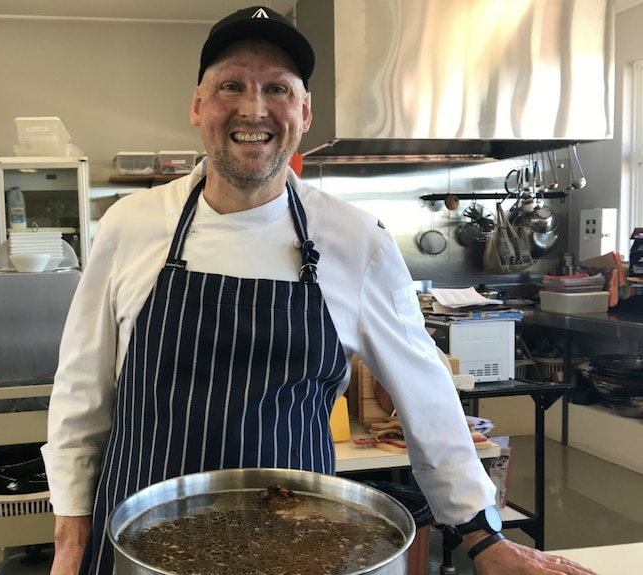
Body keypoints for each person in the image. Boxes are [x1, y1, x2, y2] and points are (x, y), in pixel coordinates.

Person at [42, 6, 599, 575]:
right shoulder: (129, 225)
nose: (253, 108)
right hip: (139, 540)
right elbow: (82, 389)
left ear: (304, 111)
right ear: (197, 106)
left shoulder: (357, 243)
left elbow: (426, 396)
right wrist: (69, 536)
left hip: (297, 543)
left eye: (277, 89)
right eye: (231, 85)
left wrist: (484, 539)